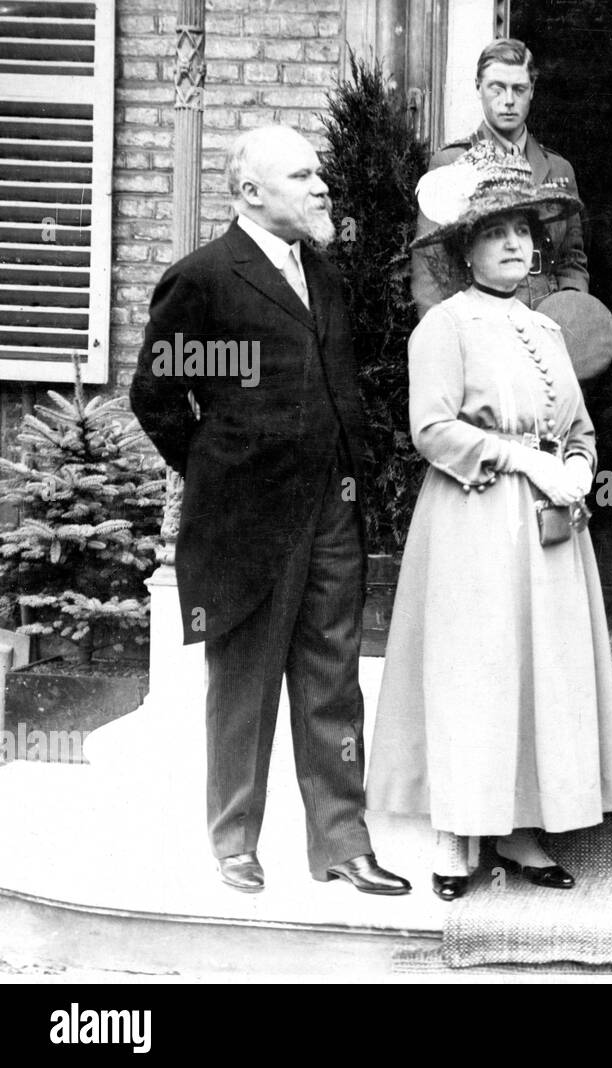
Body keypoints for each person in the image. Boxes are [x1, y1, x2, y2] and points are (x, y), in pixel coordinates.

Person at [130, 126, 410, 897]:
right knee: (245, 682)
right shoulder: (204, 278)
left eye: (320, 171)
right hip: (248, 520)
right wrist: (219, 468)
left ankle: (344, 843)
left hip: (331, 509)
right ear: (251, 192)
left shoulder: (323, 274)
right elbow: (154, 396)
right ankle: (234, 840)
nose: (322, 186)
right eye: (302, 174)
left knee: (334, 679)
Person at [366, 144, 612, 902]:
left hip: (550, 525)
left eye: (523, 230)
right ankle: (458, 833)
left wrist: (577, 464)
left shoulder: (547, 328)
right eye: (496, 233)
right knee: (473, 669)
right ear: (464, 251)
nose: (516, 244)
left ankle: (519, 826)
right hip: (475, 518)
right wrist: (524, 462)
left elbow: (578, 424)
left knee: (533, 668)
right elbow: (433, 429)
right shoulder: (443, 327)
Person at [410, 37, 588, 316]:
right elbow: (430, 270)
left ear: (532, 91)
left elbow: (572, 261)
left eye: (519, 89)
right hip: (479, 323)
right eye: (497, 88)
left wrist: (569, 318)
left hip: (546, 320)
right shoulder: (451, 163)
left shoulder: (559, 168)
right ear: (478, 88)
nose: (508, 101)